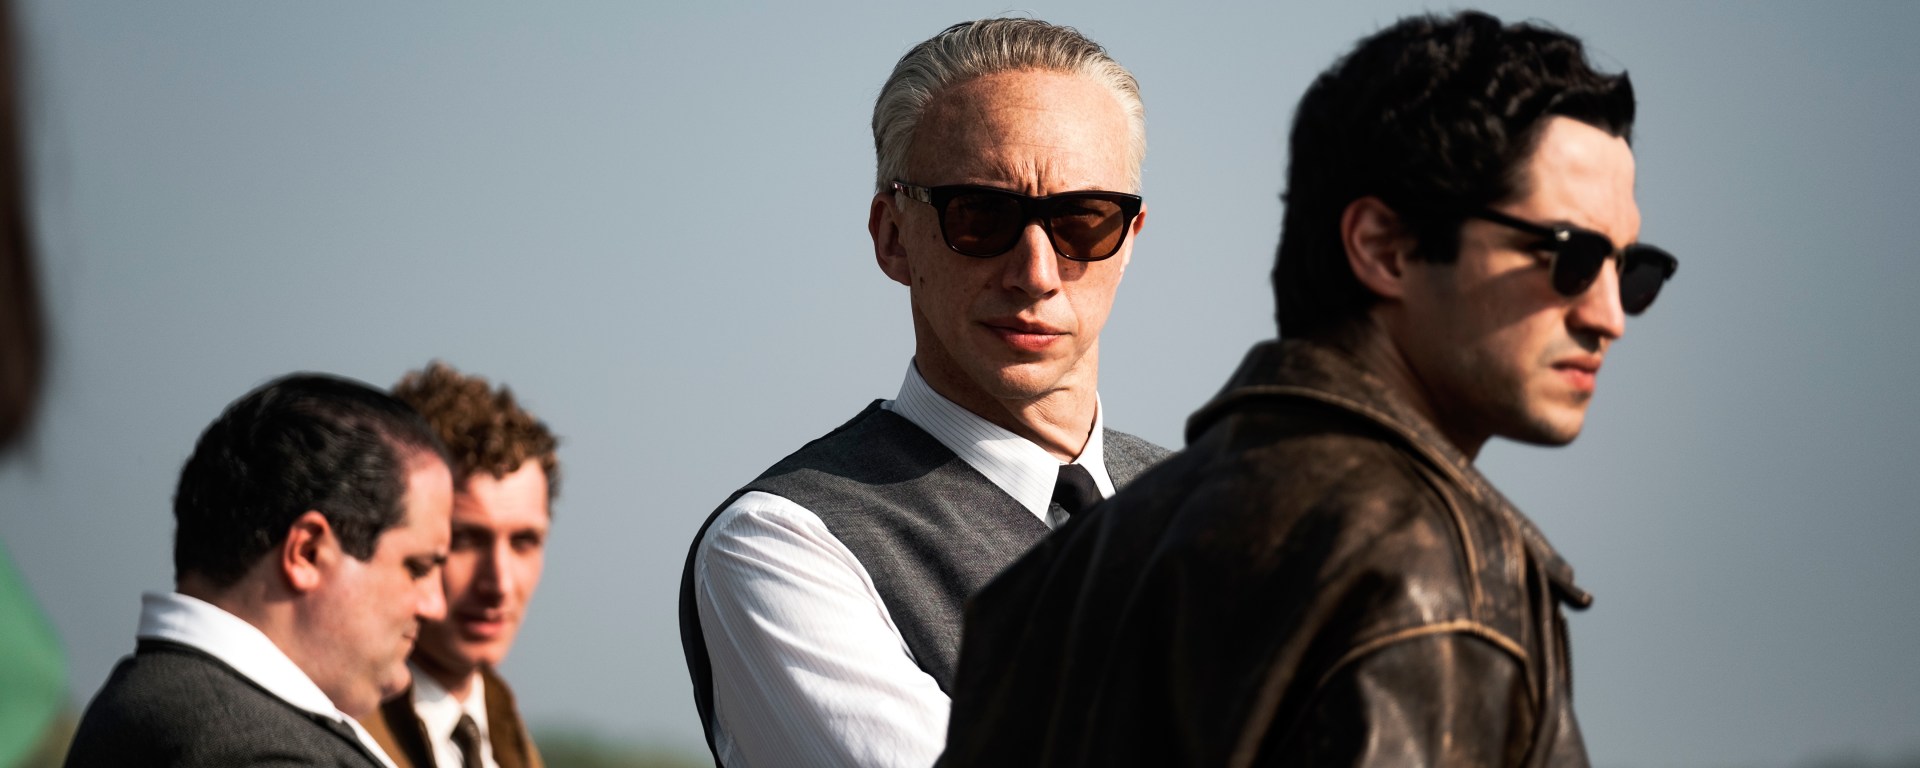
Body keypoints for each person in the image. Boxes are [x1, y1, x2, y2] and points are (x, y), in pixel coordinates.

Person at [940, 11, 1679, 767]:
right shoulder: (1428, 577)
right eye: (1569, 256)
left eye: (1633, 270)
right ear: (1384, 248)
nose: (1609, 316)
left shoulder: (1046, 585)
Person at [677, 17, 1169, 768]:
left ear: (1129, 238)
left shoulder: (1229, 509)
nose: (1035, 273)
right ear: (893, 236)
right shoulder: (784, 545)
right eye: (982, 215)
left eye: (1082, 220)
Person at [63, 374, 455, 768]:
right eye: (417, 568)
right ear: (307, 553)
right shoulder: (260, 752)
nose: (436, 606)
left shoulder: (156, 701)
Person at [362, 362, 556, 768]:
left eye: (524, 542)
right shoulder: (331, 734)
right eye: (464, 540)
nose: (499, 583)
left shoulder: (512, 744)